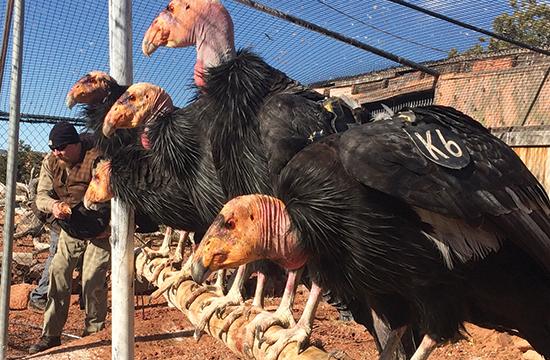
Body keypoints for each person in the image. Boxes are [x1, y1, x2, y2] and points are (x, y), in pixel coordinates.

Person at [29, 122, 111, 354]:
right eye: (54, 147)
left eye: (62, 147)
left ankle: (93, 334)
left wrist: (113, 226)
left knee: (93, 278)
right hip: (71, 226)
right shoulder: (51, 161)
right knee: (59, 273)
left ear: (76, 144)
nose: (57, 152)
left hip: (100, 228)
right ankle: (51, 335)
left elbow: (117, 195)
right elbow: (41, 196)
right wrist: (54, 205)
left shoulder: (98, 159)